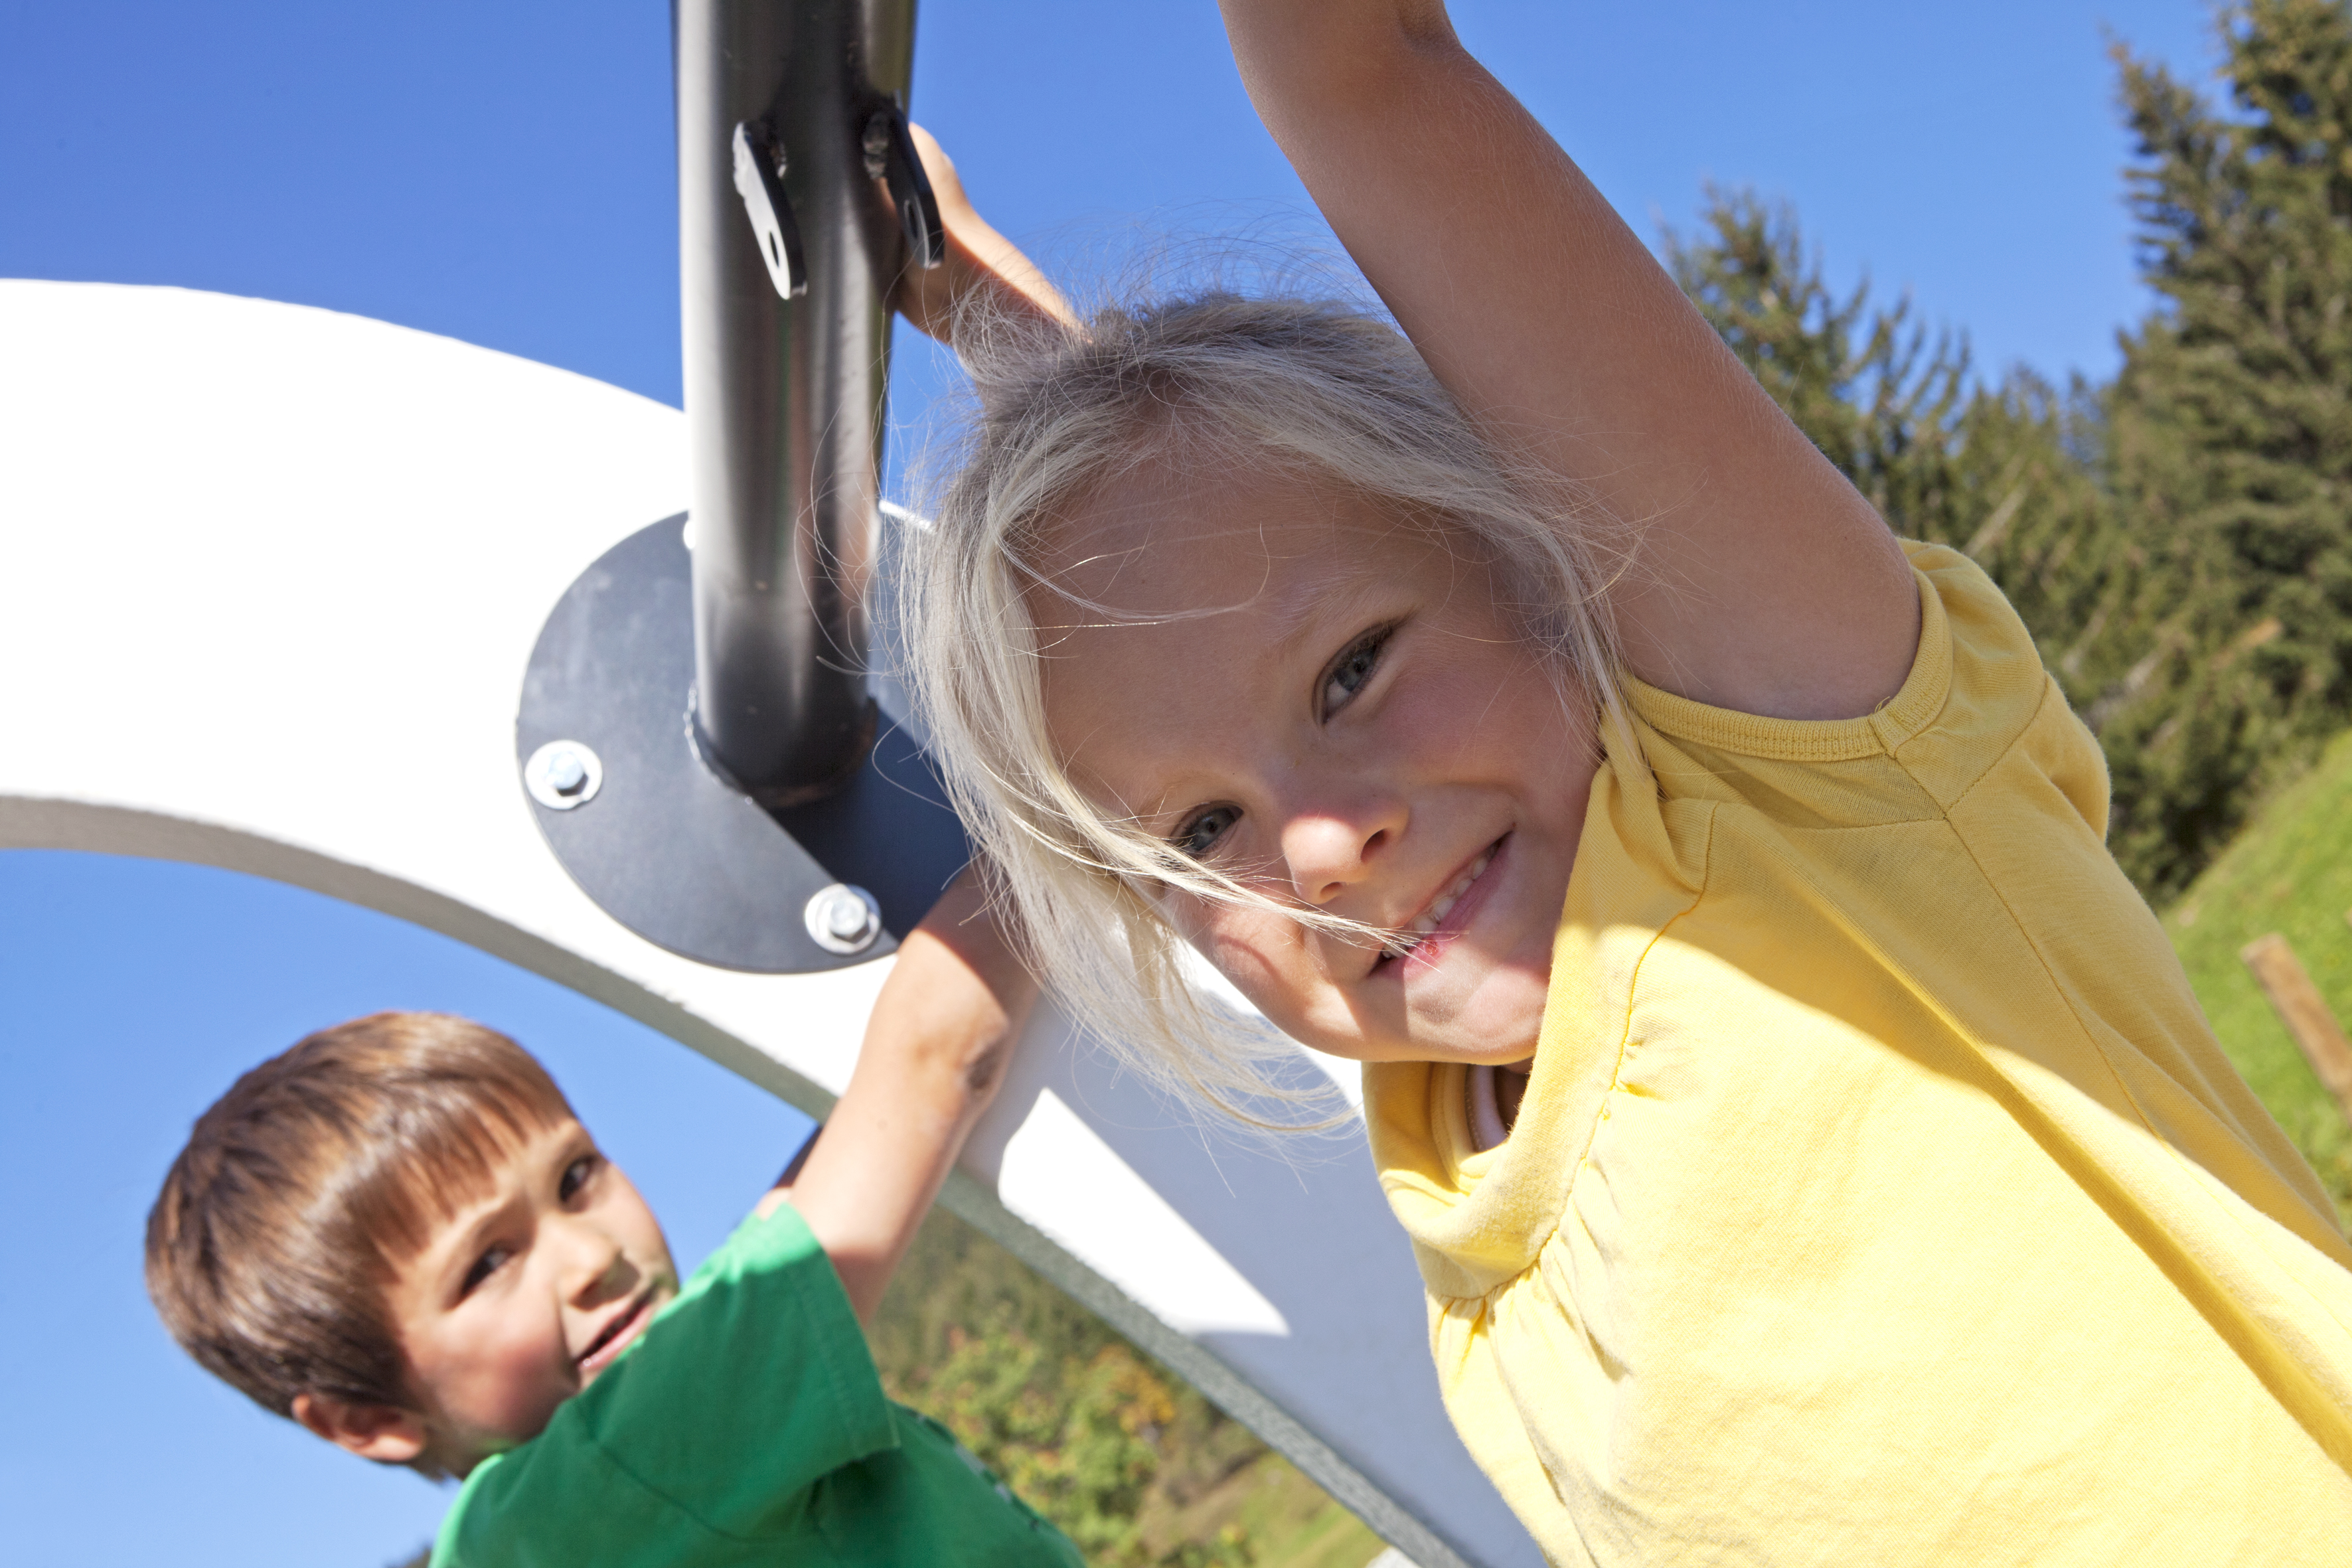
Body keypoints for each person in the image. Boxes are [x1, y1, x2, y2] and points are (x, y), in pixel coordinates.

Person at [888, 2, 2352, 1561]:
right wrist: (990, 326)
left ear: (1544, 553)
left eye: (1353, 671)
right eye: (1200, 828)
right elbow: (1186, 606)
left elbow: (1363, 75)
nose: (1318, 847)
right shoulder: (1449, 1153)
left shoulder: (1805, 796)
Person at [145, 876, 1083, 1568]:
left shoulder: (531, 1537)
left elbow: (807, 1197)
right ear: (370, 1418)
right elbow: (931, 1058)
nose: (590, 1254)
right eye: (487, 1264)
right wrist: (1072, 810)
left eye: (576, 1177)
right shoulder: (616, 1480)